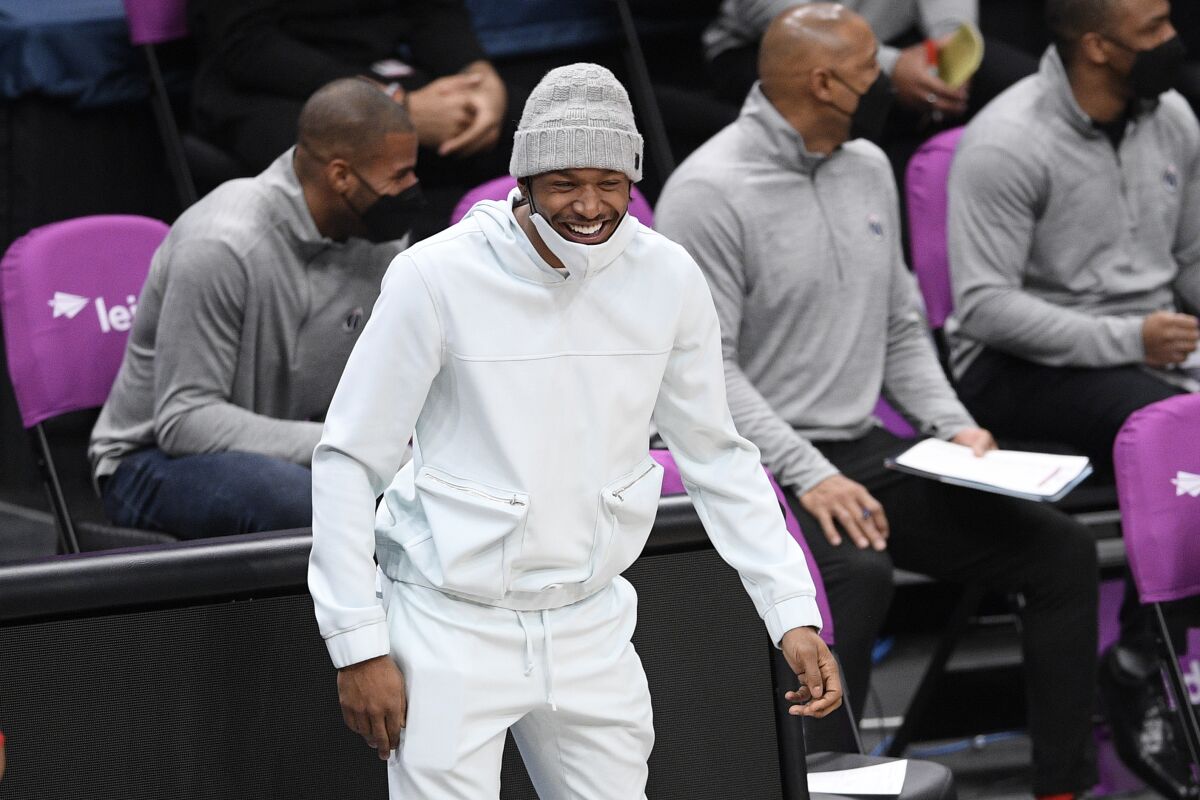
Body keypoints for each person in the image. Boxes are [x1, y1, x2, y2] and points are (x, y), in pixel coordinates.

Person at [307, 63, 842, 798]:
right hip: (448, 622)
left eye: (610, 182)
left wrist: (791, 612)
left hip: (592, 621)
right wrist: (357, 645)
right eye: (564, 183)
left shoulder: (671, 278)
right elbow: (347, 461)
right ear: (521, 180)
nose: (589, 206)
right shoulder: (433, 276)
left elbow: (719, 457)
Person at [655, 6, 1099, 798]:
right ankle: (822, 787)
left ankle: (1063, 787)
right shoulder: (708, 191)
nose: (891, 78)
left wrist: (952, 424)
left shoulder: (866, 165)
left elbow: (898, 324)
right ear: (825, 84)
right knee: (857, 574)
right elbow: (704, 373)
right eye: (873, 68)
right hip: (762, 464)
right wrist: (809, 471)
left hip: (863, 450)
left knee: (1057, 549)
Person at [945, 0, 1199, 794]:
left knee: (1173, 420)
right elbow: (983, 306)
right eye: (1153, 28)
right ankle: (1143, 663)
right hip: (1016, 369)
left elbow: (1189, 260)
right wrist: (1129, 341)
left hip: (1151, 351)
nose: (1173, 40)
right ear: (1097, 47)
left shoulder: (1175, 118)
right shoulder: (1006, 141)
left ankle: (1138, 658)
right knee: (1176, 434)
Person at [89, 78, 420, 539]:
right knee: (308, 501)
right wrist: (348, 444)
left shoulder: (378, 233)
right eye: (399, 175)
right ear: (341, 176)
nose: (412, 189)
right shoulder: (222, 244)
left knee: (437, 486)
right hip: (152, 462)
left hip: (294, 444)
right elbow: (185, 420)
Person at [188, 0, 505, 236]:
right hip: (265, 85)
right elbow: (247, 44)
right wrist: (393, 107)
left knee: (521, 121)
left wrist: (478, 76)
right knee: (343, 154)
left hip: (379, 70)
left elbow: (432, 11)